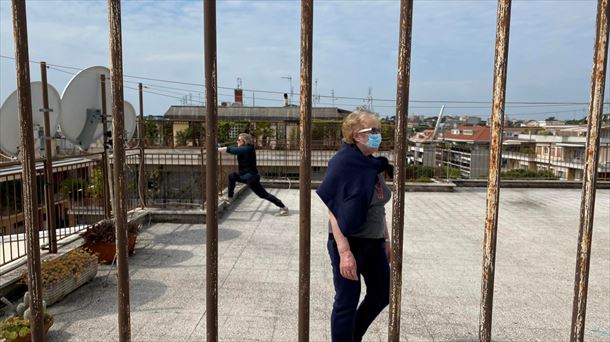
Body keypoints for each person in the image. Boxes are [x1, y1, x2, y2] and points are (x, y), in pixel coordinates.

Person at [316, 111, 393, 342]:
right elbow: (334, 208)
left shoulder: (373, 165)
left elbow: (379, 204)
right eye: (374, 131)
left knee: (382, 293)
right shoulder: (343, 163)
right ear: (357, 135)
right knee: (347, 301)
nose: (378, 135)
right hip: (351, 242)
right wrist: (344, 252)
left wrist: (386, 239)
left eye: (380, 130)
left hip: (375, 241)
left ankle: (352, 337)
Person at [218, 133, 289, 216]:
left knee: (264, 195)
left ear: (244, 141)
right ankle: (229, 198)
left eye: (239, 140)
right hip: (244, 175)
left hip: (251, 178)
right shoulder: (243, 148)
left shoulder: (248, 149)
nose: (237, 141)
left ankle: (284, 208)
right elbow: (233, 149)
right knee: (232, 176)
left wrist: (221, 148)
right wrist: (220, 148)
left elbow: (233, 150)